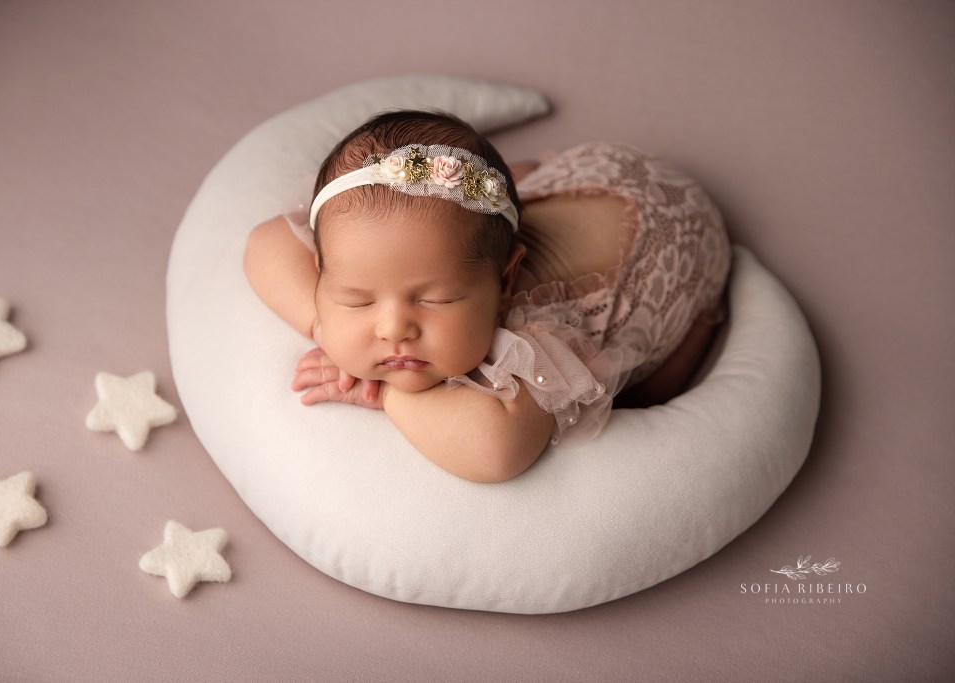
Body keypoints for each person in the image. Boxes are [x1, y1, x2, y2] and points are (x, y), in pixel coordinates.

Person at [244, 110, 731, 483]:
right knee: (459, 213)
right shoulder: (369, 250)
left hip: (680, 240)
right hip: (596, 190)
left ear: (503, 283)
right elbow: (265, 243)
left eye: (434, 300)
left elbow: (495, 452)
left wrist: (380, 391)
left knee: (649, 392)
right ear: (321, 271)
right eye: (356, 300)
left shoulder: (536, 334)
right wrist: (325, 328)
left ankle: (704, 318)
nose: (393, 329)